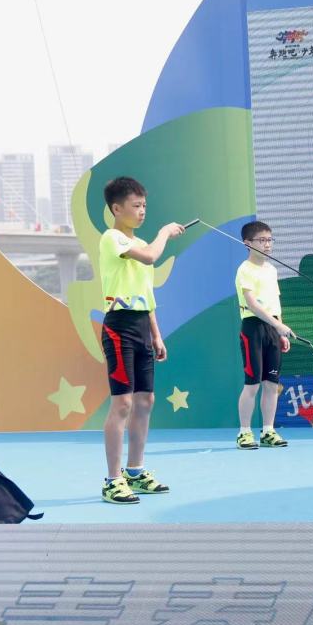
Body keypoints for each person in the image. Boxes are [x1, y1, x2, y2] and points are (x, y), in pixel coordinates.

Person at [99, 176, 185, 504]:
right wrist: (165, 232)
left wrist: (156, 335)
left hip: (141, 328)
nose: (142, 211)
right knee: (122, 403)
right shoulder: (113, 239)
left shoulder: (141, 243)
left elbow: (146, 296)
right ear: (116, 209)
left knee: (146, 400)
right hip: (118, 328)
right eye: (136, 206)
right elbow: (150, 257)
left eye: (144, 205)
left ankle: (135, 472)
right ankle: (113, 480)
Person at [235, 221, 292, 449]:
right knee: (252, 385)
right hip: (253, 328)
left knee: (271, 384)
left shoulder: (271, 270)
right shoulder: (245, 270)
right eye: (262, 240)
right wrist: (277, 325)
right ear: (247, 243)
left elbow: (274, 303)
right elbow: (253, 304)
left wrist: (280, 331)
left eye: (269, 240)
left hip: (272, 331)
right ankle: (244, 433)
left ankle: (268, 431)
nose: (267, 245)